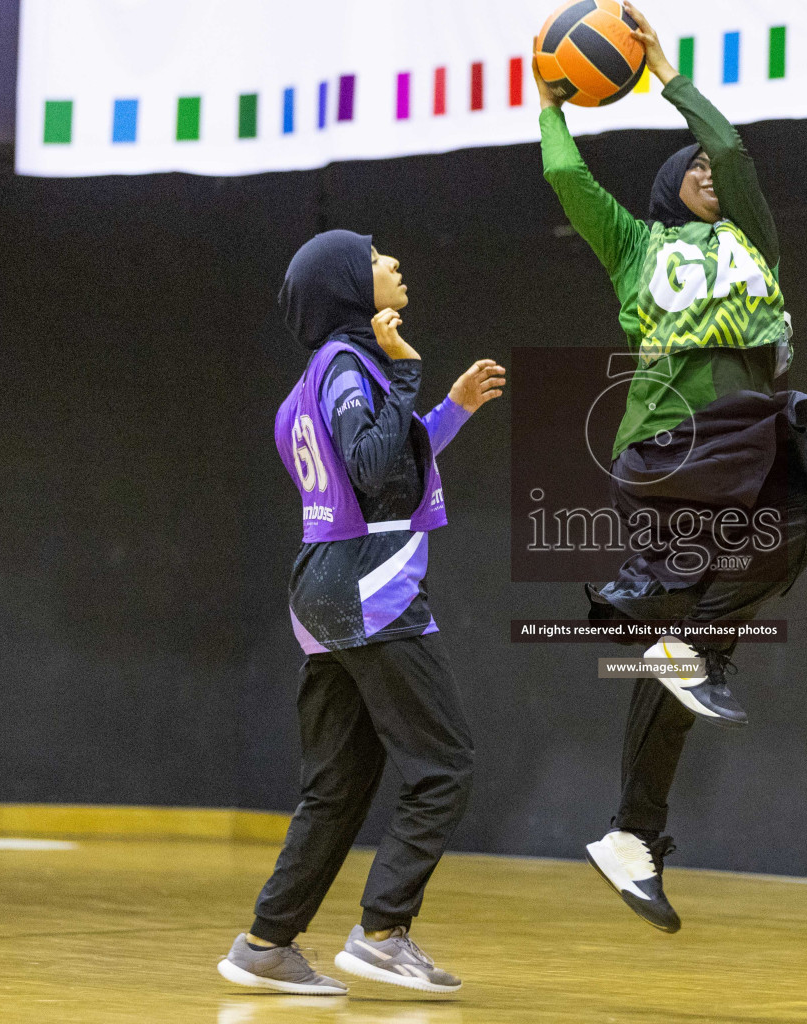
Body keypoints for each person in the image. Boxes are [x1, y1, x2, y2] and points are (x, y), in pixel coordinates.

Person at [536, 3, 807, 932]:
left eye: (713, 169)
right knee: (688, 606)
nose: (709, 171)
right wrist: (551, 100)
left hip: (744, 437)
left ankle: (631, 835)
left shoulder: (755, 242)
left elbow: (733, 148)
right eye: (693, 170)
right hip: (673, 444)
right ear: (670, 193)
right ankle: (639, 603)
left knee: (784, 546)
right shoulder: (638, 247)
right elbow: (564, 171)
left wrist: (668, 73)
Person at [216, 229, 505, 995]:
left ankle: (265, 943)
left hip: (320, 589)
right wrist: (406, 374)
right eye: (377, 258)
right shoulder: (352, 367)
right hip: (368, 586)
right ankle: (382, 933)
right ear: (348, 285)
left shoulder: (314, 379)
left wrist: (449, 407)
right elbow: (378, 471)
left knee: (338, 783)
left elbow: (379, 469)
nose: (394, 263)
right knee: (443, 764)